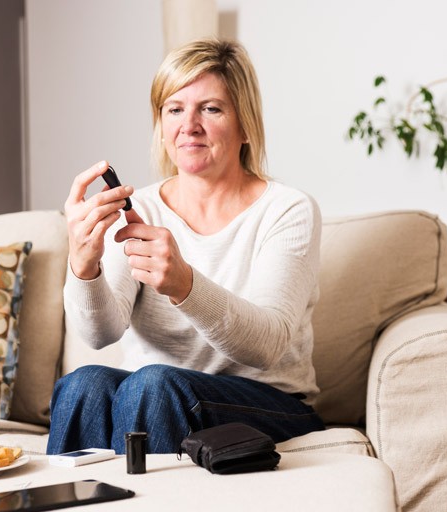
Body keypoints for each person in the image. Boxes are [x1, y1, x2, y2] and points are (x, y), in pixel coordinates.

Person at [47, 38, 325, 455]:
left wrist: (184, 285)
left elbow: (267, 347)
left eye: (210, 109)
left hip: (269, 404)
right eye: (174, 109)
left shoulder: (287, 210)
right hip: (155, 394)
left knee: (153, 385)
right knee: (82, 384)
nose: (188, 125)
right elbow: (100, 335)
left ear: (246, 125)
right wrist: (85, 266)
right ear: (161, 126)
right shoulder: (139, 208)